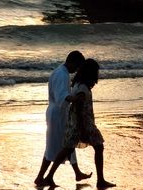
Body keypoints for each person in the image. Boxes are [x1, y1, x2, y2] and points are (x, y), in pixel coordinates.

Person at [43, 59, 116, 188]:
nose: (97, 74)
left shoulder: (77, 84)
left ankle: (49, 177)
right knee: (98, 146)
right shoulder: (82, 88)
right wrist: (83, 129)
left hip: (75, 123)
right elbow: (79, 108)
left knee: (67, 150)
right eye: (96, 71)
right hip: (83, 124)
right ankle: (100, 181)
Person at [34, 51, 92, 186]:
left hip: (57, 112)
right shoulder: (62, 74)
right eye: (77, 67)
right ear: (72, 62)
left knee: (65, 144)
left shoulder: (60, 72)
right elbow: (62, 96)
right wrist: (76, 98)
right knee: (58, 146)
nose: (76, 70)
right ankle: (41, 177)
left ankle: (76, 172)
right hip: (57, 114)